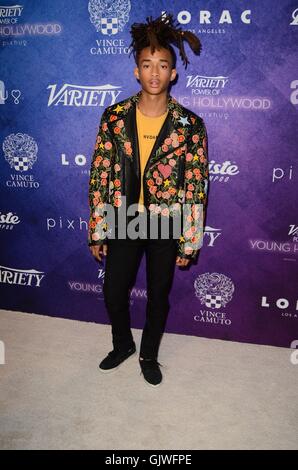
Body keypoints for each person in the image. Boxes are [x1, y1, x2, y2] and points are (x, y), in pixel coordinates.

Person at [88, 13, 209, 387]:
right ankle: (123, 344)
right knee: (113, 290)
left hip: (166, 221)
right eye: (146, 65)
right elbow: (100, 174)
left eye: (163, 65)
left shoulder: (190, 125)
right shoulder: (114, 118)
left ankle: (149, 354)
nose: (154, 73)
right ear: (136, 71)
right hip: (124, 217)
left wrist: (190, 240)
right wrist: (98, 229)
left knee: (158, 294)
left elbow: (196, 186)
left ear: (173, 73)